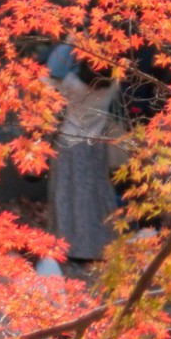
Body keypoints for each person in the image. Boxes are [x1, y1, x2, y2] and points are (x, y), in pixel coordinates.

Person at [45, 39, 120, 262]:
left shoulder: (72, 85)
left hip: (70, 143)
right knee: (95, 193)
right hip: (96, 145)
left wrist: (69, 45)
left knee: (68, 193)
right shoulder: (112, 87)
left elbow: (48, 75)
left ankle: (71, 245)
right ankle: (100, 244)